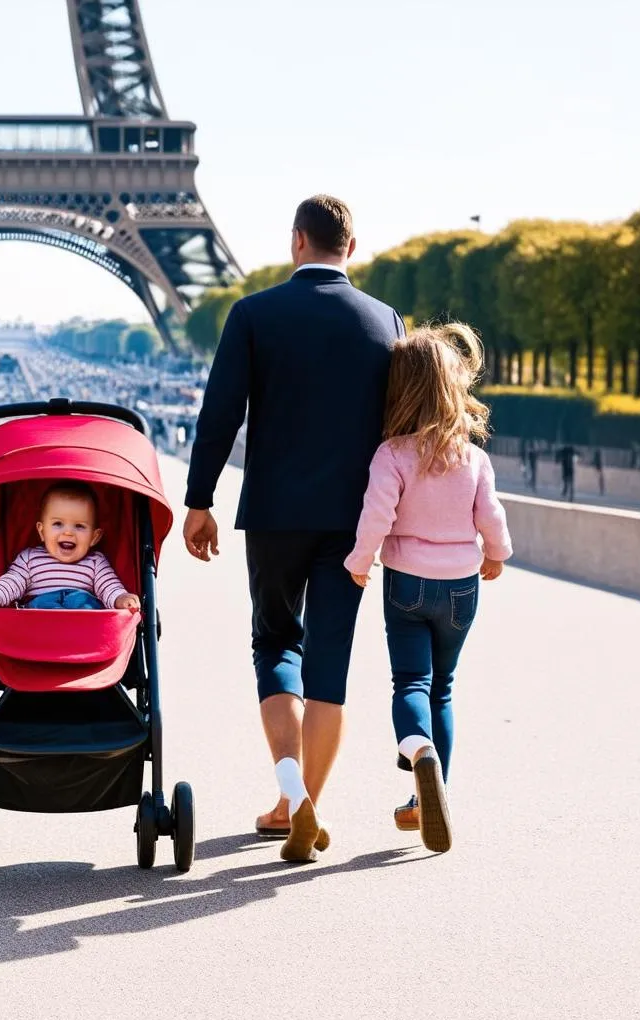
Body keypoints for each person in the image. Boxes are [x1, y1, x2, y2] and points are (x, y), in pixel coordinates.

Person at [183, 195, 405, 862]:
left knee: (275, 643)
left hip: (276, 513)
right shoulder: (385, 319)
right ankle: (306, 801)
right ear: (353, 247)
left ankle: (289, 798)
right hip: (352, 519)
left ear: (296, 242)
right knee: (328, 667)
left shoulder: (254, 314)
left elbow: (220, 413)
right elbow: (401, 428)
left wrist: (199, 500)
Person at [344, 323, 512, 853]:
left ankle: (419, 753)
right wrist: (496, 554)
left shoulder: (392, 453)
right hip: (462, 586)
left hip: (407, 584)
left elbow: (376, 516)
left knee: (411, 683)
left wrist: (360, 560)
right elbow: (492, 516)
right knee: (444, 687)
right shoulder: (473, 457)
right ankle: (430, 797)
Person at [0, 482, 141, 612]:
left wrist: (120, 598)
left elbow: (108, 586)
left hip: (82, 624)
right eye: (58, 524)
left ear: (94, 537)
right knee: (38, 605)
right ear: (42, 531)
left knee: (84, 602)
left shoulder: (95, 562)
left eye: (79, 526)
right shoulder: (30, 559)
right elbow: (12, 582)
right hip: (42, 621)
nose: (68, 533)